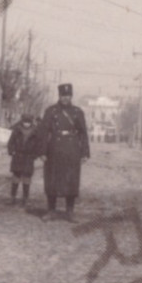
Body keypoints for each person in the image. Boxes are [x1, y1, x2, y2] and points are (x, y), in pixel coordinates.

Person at [37, 84, 90, 220]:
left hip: (72, 149)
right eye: (63, 96)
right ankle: (51, 210)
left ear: (71, 96)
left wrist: (84, 153)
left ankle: (70, 211)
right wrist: (42, 151)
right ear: (59, 96)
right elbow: (43, 132)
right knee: (52, 179)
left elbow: (83, 133)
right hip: (54, 148)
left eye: (67, 96)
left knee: (71, 179)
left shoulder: (78, 112)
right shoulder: (51, 111)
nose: (65, 98)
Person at [6, 114, 38, 203]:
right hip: (18, 156)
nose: (26, 124)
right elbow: (11, 142)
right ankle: (12, 197)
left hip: (29, 157)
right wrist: (11, 150)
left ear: (31, 122)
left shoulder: (35, 131)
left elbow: (38, 144)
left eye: (28, 122)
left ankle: (25, 198)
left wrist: (35, 154)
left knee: (27, 177)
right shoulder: (17, 130)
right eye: (25, 122)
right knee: (16, 176)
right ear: (22, 121)